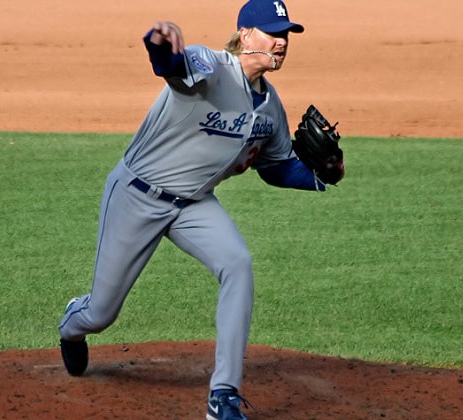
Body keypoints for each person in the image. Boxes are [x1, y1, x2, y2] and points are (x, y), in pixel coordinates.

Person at [59, 1, 337, 418]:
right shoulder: (211, 66)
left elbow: (277, 167)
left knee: (238, 264)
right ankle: (71, 326)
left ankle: (223, 394)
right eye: (271, 33)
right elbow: (170, 66)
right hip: (137, 194)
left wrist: (325, 175)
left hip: (193, 205)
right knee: (101, 312)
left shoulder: (271, 107)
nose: (280, 43)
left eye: (286, 35)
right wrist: (159, 45)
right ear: (245, 35)